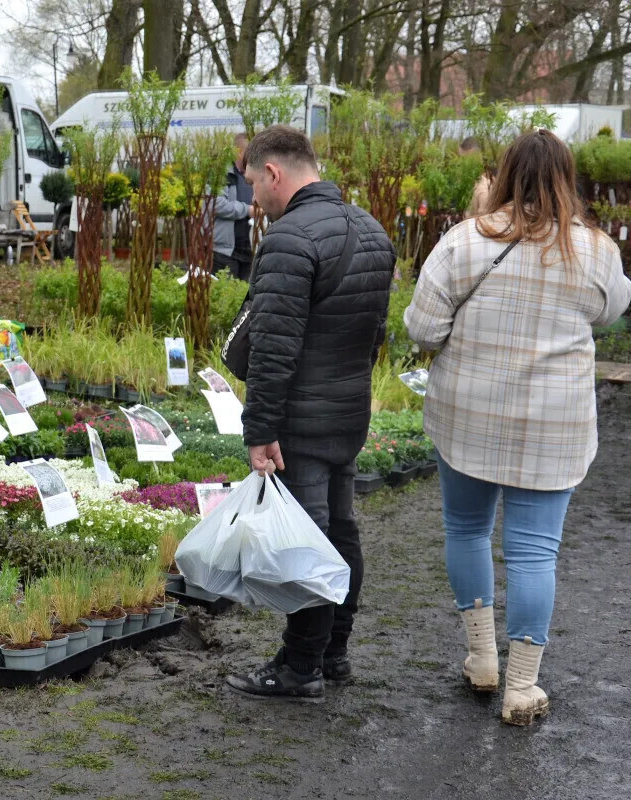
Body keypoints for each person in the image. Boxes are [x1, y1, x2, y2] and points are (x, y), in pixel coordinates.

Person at [404, 129, 631, 726]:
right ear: (567, 178)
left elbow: (423, 329)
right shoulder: (597, 251)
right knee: (535, 553)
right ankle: (522, 687)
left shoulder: (464, 241)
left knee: (467, 529)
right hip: (555, 424)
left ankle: (481, 658)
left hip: (468, 414)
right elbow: (612, 312)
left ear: (505, 173)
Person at [224, 125, 394, 703]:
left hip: (302, 416)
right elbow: (376, 333)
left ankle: (300, 668)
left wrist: (261, 429)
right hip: (349, 412)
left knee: (311, 539)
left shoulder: (290, 239)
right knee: (340, 529)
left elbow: (273, 347)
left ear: (273, 173)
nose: (252, 200)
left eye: (252, 183)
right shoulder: (371, 230)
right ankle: (333, 651)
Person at [212, 133, 255, 281]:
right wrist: (248, 210)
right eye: (250, 152)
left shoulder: (254, 174)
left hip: (250, 251)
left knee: (246, 299)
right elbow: (216, 205)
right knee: (226, 299)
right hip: (225, 251)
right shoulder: (221, 174)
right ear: (239, 152)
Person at [459, 137, 492, 218]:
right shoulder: (468, 186)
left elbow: (483, 225)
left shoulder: (483, 190)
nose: (459, 164)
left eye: (463, 160)